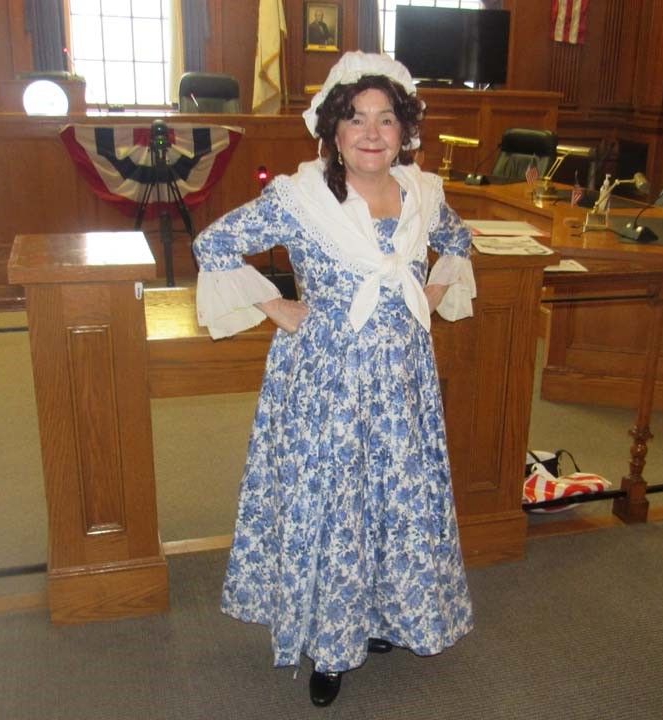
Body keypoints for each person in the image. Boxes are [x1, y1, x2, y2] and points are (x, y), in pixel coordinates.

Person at [192, 51, 476, 708]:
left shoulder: (424, 194)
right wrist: (277, 306)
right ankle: (330, 640)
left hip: (402, 382)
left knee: (390, 500)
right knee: (336, 503)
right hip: (328, 380)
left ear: (406, 130)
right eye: (355, 119)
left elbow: (457, 243)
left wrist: (429, 294)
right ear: (332, 129)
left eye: (386, 119)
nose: (372, 133)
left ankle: (379, 616)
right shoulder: (300, 197)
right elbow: (215, 243)